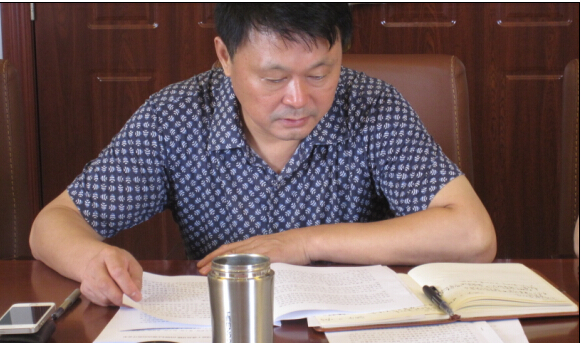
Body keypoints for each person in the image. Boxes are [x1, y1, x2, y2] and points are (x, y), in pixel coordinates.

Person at [29, 4, 496, 307]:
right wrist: (93, 261)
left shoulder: (371, 106)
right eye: (273, 78)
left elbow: (474, 236)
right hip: (225, 340)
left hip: (351, 340)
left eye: (320, 74)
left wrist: (304, 244)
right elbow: (55, 222)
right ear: (225, 57)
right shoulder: (176, 117)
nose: (298, 99)